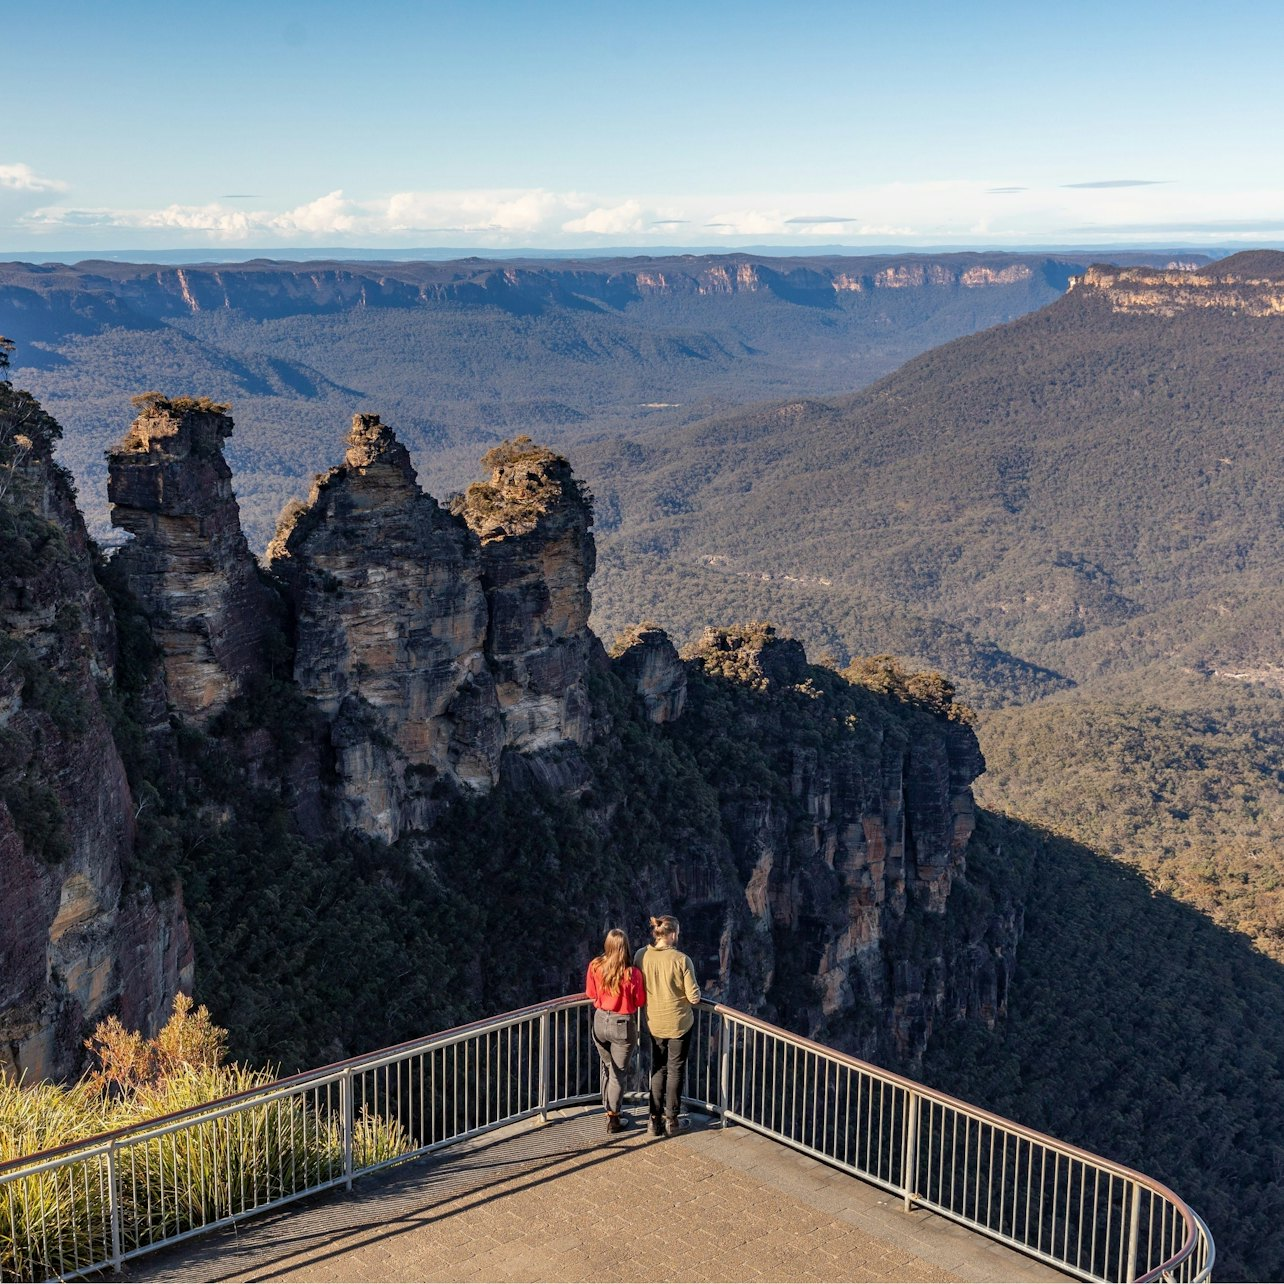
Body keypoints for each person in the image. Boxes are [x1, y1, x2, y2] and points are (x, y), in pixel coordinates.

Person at [634, 914, 701, 1137]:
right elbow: (693, 997)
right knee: (675, 1070)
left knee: (658, 1068)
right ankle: (672, 1120)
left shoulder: (641, 956)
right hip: (679, 1024)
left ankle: (654, 1120)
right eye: (678, 933)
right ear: (672, 934)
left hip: (653, 1023)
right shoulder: (682, 960)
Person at [585, 928, 646, 1134]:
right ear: (625, 947)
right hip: (622, 1025)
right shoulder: (632, 973)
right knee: (618, 1073)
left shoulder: (595, 966)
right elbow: (639, 1001)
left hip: (600, 1021)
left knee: (607, 1065)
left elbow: (591, 993)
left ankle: (608, 1108)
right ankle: (614, 1118)